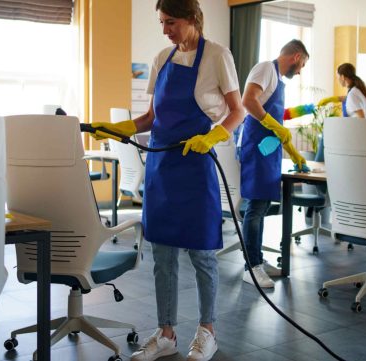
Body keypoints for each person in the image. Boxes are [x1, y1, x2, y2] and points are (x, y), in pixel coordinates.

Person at [90, 1, 243, 360]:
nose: (165, 30)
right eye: (161, 22)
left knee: (203, 254)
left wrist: (214, 136)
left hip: (196, 165)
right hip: (162, 167)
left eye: (170, 22)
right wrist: (118, 128)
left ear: (192, 19)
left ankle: (207, 331)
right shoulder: (162, 58)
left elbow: (237, 111)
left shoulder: (218, 56)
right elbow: (149, 117)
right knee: (163, 256)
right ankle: (167, 333)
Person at [239, 39, 309, 288]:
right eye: (302, 65)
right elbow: (248, 101)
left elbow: (279, 117)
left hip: (268, 150)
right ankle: (251, 267)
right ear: (296, 56)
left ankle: (257, 260)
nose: (300, 71)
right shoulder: (265, 69)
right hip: (257, 147)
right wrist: (274, 125)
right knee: (255, 207)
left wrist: (294, 152)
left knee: (263, 204)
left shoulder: (277, 79)